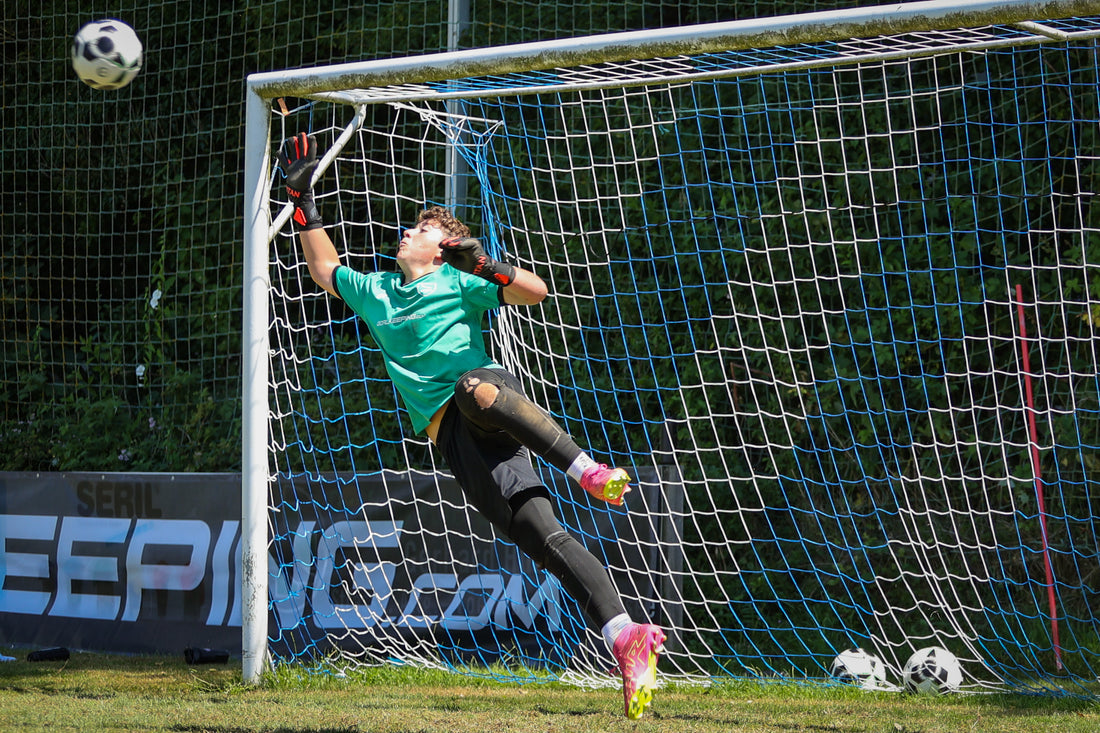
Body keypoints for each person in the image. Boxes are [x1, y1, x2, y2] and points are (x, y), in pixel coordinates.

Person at [279, 132, 666, 719]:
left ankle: (587, 469)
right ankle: (625, 636)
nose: (407, 231)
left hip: (489, 396)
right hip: (455, 442)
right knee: (540, 536)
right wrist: (304, 203)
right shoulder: (378, 291)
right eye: (413, 226)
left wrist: (487, 265)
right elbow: (324, 268)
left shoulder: (458, 280)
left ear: (441, 251)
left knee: (470, 391)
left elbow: (537, 293)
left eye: (421, 229)